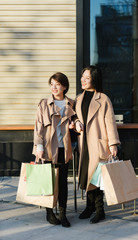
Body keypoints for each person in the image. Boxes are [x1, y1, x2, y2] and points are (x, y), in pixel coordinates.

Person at [74, 65, 120, 224]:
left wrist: (113, 143)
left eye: (87, 78)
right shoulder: (78, 98)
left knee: (97, 177)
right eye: (82, 77)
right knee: (87, 175)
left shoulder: (103, 98)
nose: (83, 80)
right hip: (84, 143)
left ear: (95, 79)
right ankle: (89, 206)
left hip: (99, 143)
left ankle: (100, 210)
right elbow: (72, 116)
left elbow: (110, 122)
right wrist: (76, 121)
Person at [32, 72, 76, 228]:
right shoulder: (44, 103)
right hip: (47, 148)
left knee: (63, 182)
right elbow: (38, 127)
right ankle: (49, 213)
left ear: (64, 86)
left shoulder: (71, 103)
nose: (54, 87)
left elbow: (77, 120)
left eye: (57, 84)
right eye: (51, 84)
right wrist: (39, 146)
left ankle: (63, 214)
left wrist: (75, 124)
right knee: (47, 181)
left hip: (63, 147)